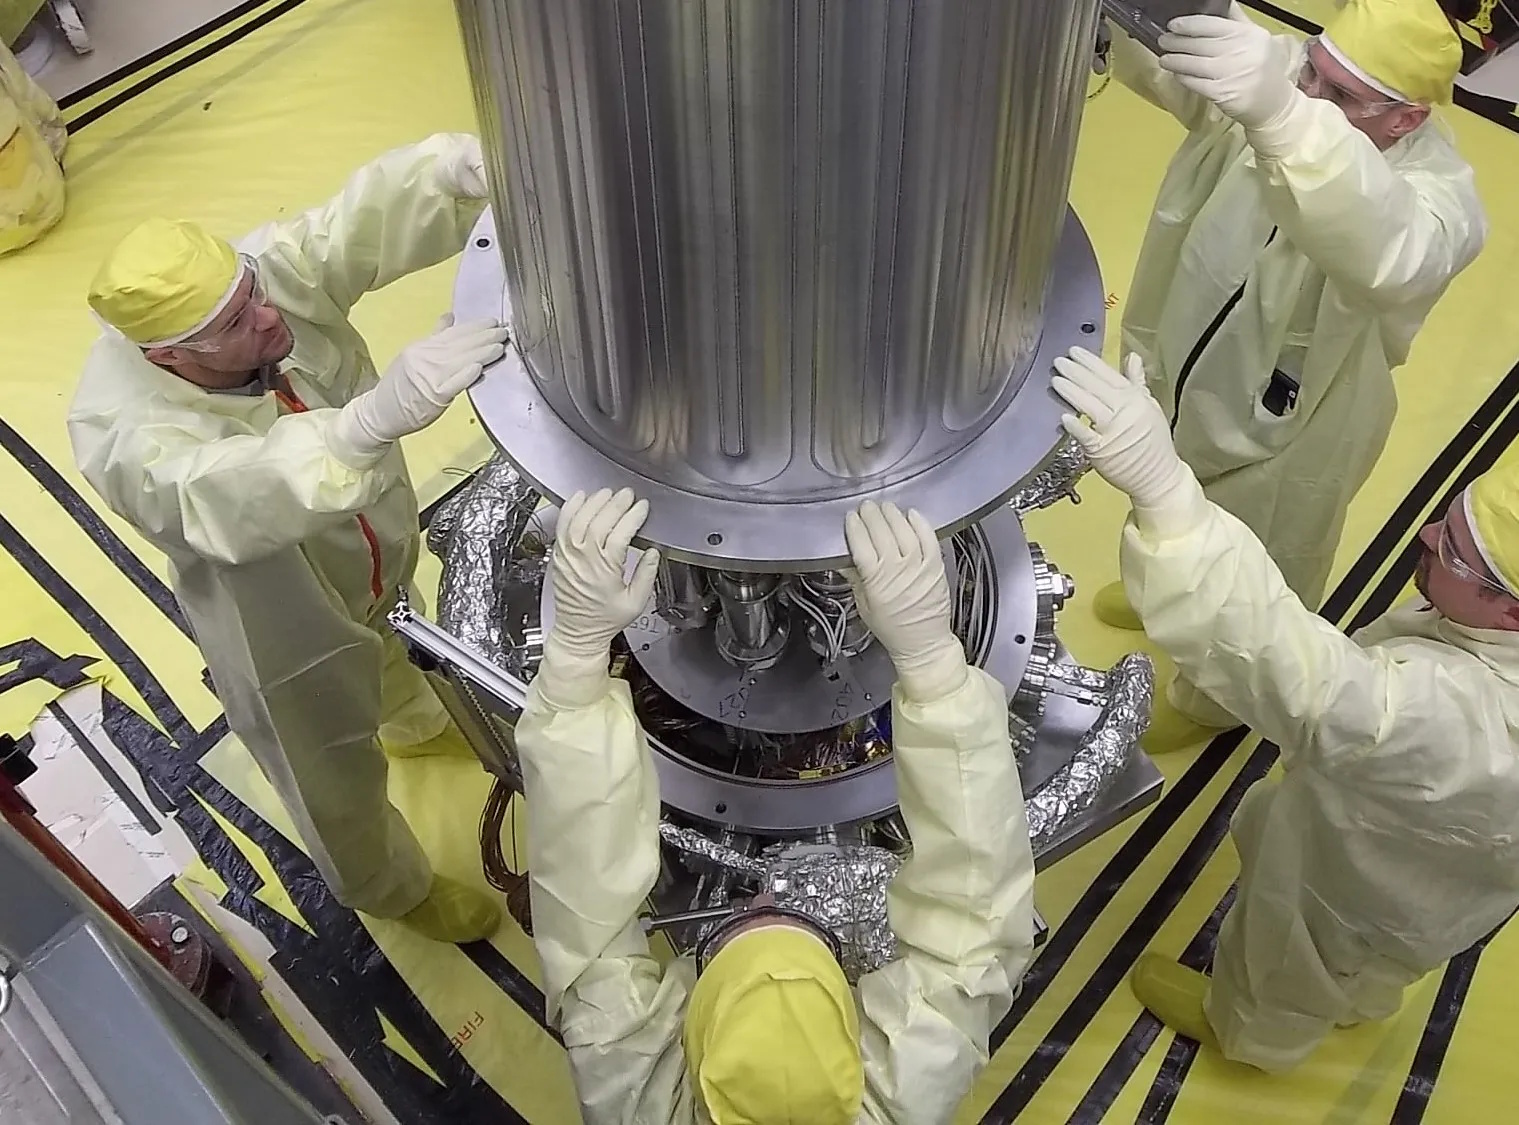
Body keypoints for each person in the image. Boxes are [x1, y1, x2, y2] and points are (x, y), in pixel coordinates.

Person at [69, 135, 509, 943]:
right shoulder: (122, 434)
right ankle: (389, 886)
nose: (270, 317)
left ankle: (415, 723)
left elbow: (342, 231)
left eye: (255, 293)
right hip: (279, 614)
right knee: (324, 762)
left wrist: (447, 173)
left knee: (398, 633)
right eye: (239, 323)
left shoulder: (244, 291)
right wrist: (367, 424)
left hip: (370, 542)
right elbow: (229, 490)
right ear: (169, 355)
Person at [1052, 345, 1519, 1071]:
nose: (1426, 538)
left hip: (1373, 867)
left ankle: (1252, 1034)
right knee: (1381, 951)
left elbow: (1314, 685)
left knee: (1302, 946)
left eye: (1456, 554)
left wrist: (1167, 501)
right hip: (1444, 861)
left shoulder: (1472, 725)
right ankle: (1359, 996)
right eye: (1444, 521)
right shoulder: (1487, 641)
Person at [515, 488, 1036, 1123]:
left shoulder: (637, 1102)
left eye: (739, 926)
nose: (768, 898)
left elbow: (585, 928)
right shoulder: (904, 1096)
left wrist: (574, 662)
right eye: (801, 929)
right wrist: (933, 663)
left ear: (696, 1046)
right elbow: (978, 931)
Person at [1097, 0, 1487, 752]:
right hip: (1186, 351)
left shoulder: (1441, 202)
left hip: (1300, 421)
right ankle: (1158, 590)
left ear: (1405, 119)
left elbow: (1390, 248)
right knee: (1161, 480)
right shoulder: (1293, 74)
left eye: (1340, 95)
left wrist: (1282, 116)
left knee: (1257, 556)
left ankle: (1210, 699)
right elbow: (1186, 60)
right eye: (1312, 71)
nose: (1311, 94)